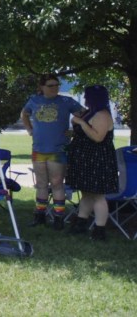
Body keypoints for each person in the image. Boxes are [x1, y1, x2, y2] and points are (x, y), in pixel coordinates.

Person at [21, 74, 84, 230]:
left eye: (57, 85)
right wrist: (29, 129)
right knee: (41, 184)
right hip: (38, 149)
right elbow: (24, 114)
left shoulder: (66, 101)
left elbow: (84, 114)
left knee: (57, 184)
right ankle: (40, 216)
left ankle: (58, 219)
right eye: (51, 85)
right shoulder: (34, 100)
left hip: (58, 149)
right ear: (42, 87)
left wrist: (75, 129)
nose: (55, 88)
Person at [66, 85, 119, 241]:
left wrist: (81, 123)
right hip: (85, 159)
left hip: (98, 160)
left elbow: (97, 137)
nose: (85, 98)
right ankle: (81, 225)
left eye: (87, 96)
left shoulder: (103, 115)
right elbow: (84, 134)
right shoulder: (90, 113)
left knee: (98, 196)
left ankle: (99, 231)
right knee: (87, 193)